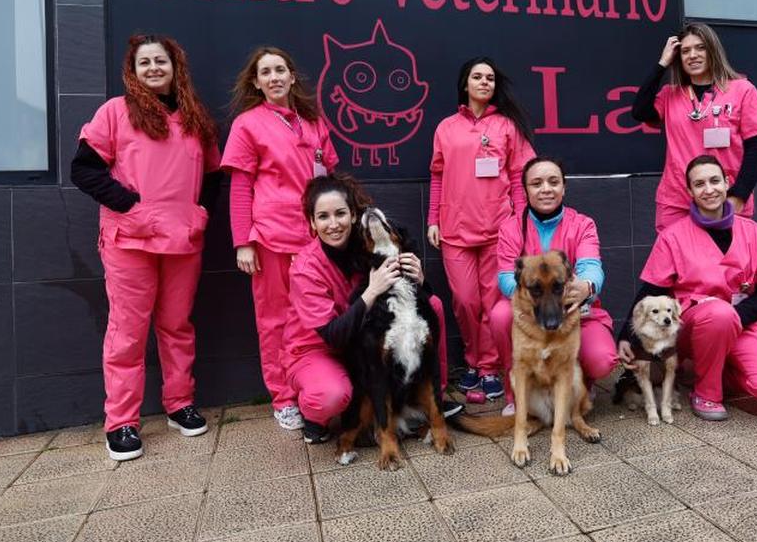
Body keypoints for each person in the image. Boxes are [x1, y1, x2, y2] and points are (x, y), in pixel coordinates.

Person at [71, 33, 221, 461]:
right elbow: (84, 170)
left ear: (176, 67)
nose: (154, 68)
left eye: (161, 61)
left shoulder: (195, 118)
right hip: (130, 240)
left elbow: (213, 175)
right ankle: (121, 422)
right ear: (132, 71)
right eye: (145, 63)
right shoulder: (115, 113)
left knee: (177, 325)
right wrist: (130, 205)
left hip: (182, 239)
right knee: (127, 333)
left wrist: (200, 214)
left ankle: (179, 404)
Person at [618, 155, 757, 421]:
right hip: (692, 327)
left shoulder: (753, 231)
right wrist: (628, 337)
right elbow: (650, 289)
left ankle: (719, 367)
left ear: (727, 183)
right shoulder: (674, 236)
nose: (709, 189)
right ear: (690, 191)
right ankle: (706, 393)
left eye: (715, 180)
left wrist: (738, 317)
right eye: (699, 184)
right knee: (718, 314)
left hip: (744, 323)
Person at [283, 173, 459, 443]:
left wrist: (421, 279)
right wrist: (371, 290)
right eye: (323, 217)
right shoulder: (305, 268)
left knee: (432, 305)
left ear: (353, 215)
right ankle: (314, 418)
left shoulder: (366, 241)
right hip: (317, 350)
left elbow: (413, 299)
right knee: (331, 394)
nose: (333, 224)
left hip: (359, 345)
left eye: (340, 213)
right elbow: (333, 336)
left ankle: (434, 397)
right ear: (312, 222)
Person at [221, 46, 339, 432]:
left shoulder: (313, 120)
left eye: (280, 70)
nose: (274, 78)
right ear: (256, 82)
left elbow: (331, 178)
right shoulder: (248, 124)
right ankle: (283, 397)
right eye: (266, 72)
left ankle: (315, 388)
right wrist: (243, 241)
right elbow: (241, 187)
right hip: (272, 238)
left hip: (317, 238)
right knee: (274, 320)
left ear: (292, 77)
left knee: (316, 314)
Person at [427, 57, 536, 402]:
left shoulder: (507, 126)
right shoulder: (446, 127)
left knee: (493, 302)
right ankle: (473, 362)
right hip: (454, 228)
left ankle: (488, 369)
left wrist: (519, 221)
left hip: (498, 229)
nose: (485, 82)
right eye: (478, 77)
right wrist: (433, 219)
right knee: (464, 300)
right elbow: (437, 175)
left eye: (490, 77)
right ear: (465, 84)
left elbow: (521, 176)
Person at [489, 157, 618, 415]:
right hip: (530, 313)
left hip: (574, 312)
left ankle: (580, 385)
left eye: (553, 182)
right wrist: (528, 299)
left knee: (602, 360)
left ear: (564, 187)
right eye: (536, 183)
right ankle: (518, 394)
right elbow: (505, 277)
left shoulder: (583, 224)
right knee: (500, 315)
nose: (546, 189)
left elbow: (592, 266)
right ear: (525, 190)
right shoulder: (510, 228)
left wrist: (586, 287)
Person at [632, 22, 757, 232]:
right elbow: (640, 111)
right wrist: (662, 64)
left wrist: (739, 195)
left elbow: (756, 148)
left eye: (700, 48)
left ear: (712, 51)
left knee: (729, 262)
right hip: (677, 200)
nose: (693, 55)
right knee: (677, 262)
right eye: (685, 51)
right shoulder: (670, 94)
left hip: (725, 199)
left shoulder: (742, 89)